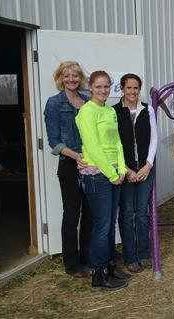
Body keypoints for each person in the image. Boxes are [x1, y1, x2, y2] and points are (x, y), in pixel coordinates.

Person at [76, 70, 131, 290]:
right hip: (97, 175)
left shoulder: (109, 110)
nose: (103, 90)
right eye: (98, 87)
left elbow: (117, 142)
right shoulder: (86, 112)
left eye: (106, 87)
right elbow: (93, 147)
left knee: (109, 226)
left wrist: (121, 170)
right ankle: (98, 275)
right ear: (90, 87)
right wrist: (110, 173)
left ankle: (109, 266)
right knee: (102, 225)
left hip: (115, 172)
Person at [43, 61, 91, 277]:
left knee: (90, 213)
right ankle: (72, 264)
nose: (71, 79)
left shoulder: (88, 101)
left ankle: (88, 258)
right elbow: (54, 141)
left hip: (92, 164)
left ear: (80, 78)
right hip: (70, 165)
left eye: (75, 76)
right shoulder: (54, 103)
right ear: (60, 78)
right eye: (66, 76)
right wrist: (77, 156)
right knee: (72, 214)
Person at [113, 74, 157, 273]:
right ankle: (130, 256)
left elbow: (154, 139)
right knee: (127, 213)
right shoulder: (113, 112)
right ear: (122, 88)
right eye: (129, 88)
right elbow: (114, 144)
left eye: (136, 88)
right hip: (126, 171)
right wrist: (127, 170)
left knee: (142, 213)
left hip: (146, 169)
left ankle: (144, 253)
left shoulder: (148, 109)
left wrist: (148, 165)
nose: (133, 92)